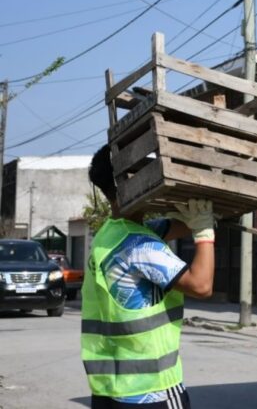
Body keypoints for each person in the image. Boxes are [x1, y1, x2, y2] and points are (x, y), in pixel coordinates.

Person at [81, 144, 216, 409]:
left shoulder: (110, 234)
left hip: (112, 387)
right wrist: (204, 234)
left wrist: (193, 216)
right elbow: (201, 286)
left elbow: (169, 228)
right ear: (128, 183)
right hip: (154, 388)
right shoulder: (140, 245)